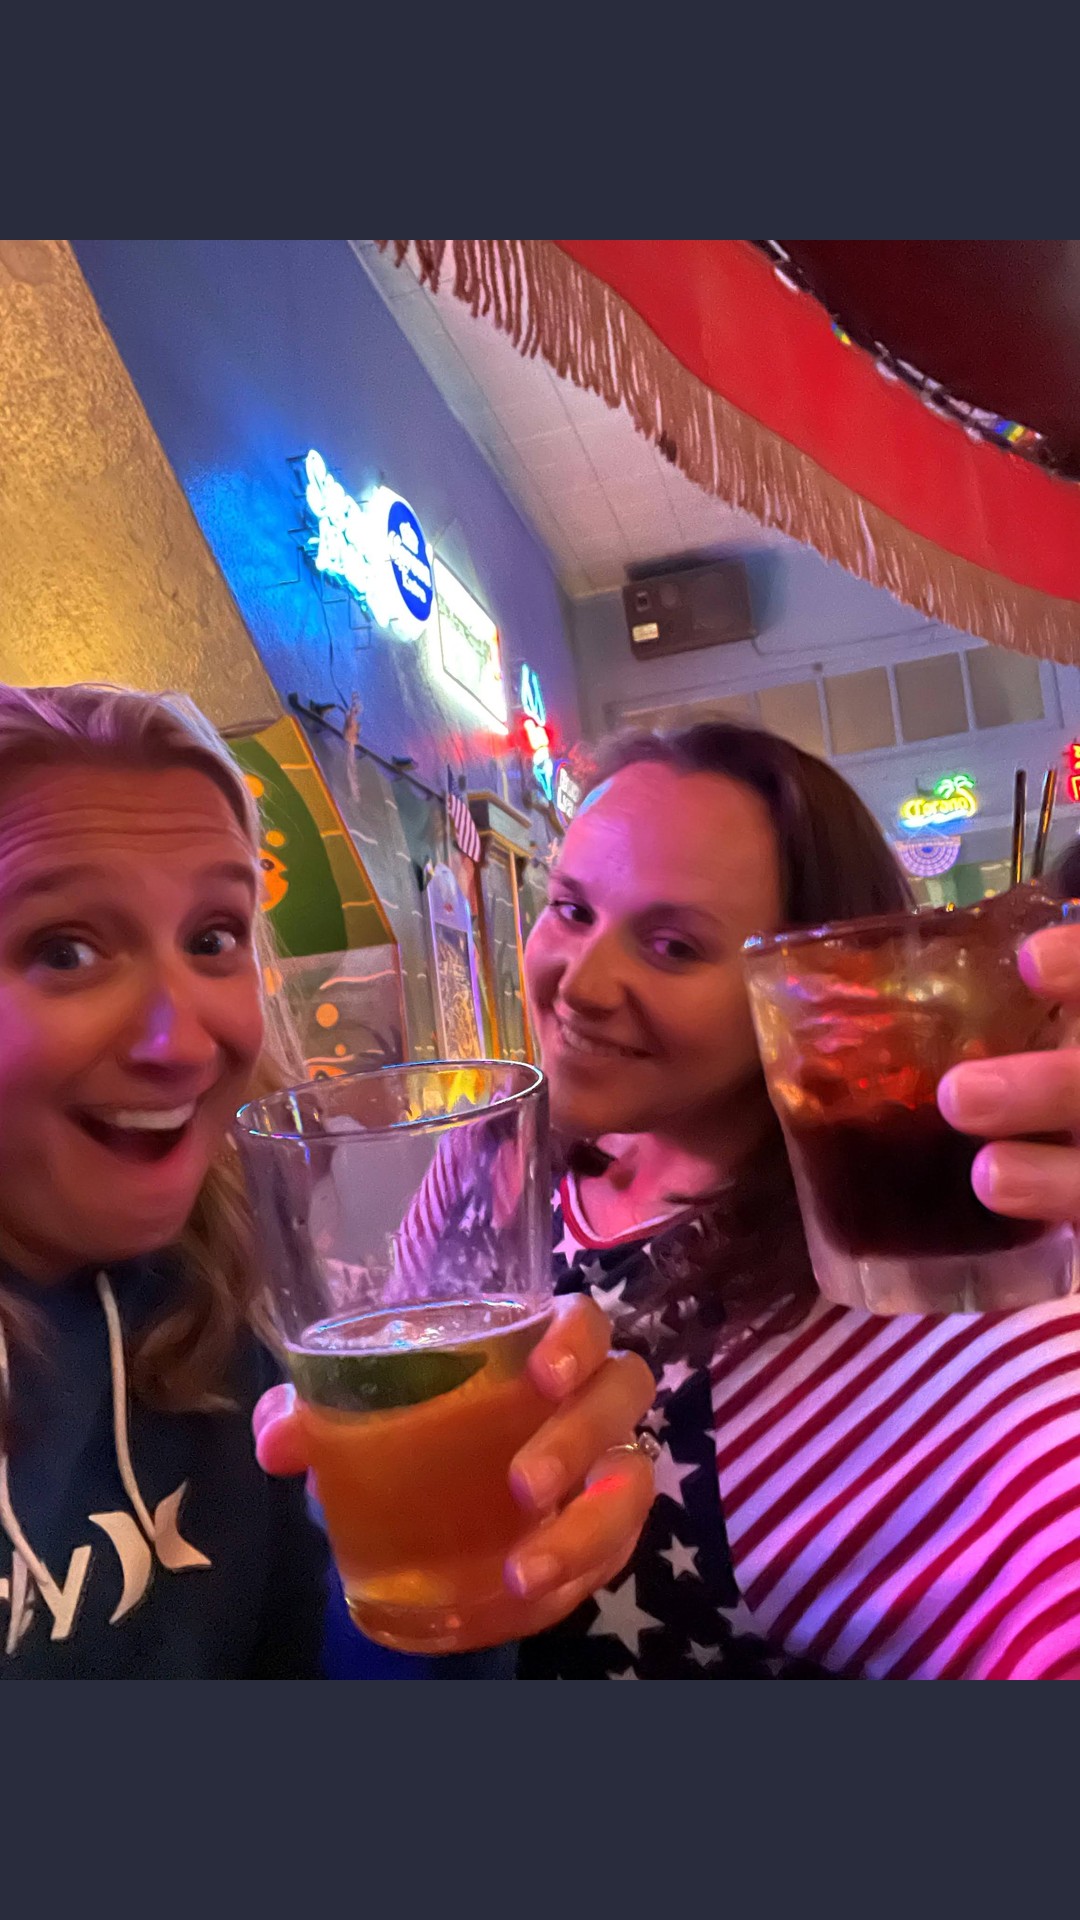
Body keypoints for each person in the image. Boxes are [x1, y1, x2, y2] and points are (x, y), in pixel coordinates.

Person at [266, 721, 1080, 1678]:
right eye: (571, 909)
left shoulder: (901, 1294)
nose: (581, 983)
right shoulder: (490, 1157)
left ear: (817, 991)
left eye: (672, 946)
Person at [0, 681, 654, 1679]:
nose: (185, 1043)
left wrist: (463, 1582)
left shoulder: (234, 1324)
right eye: (66, 951)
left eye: (213, 939)